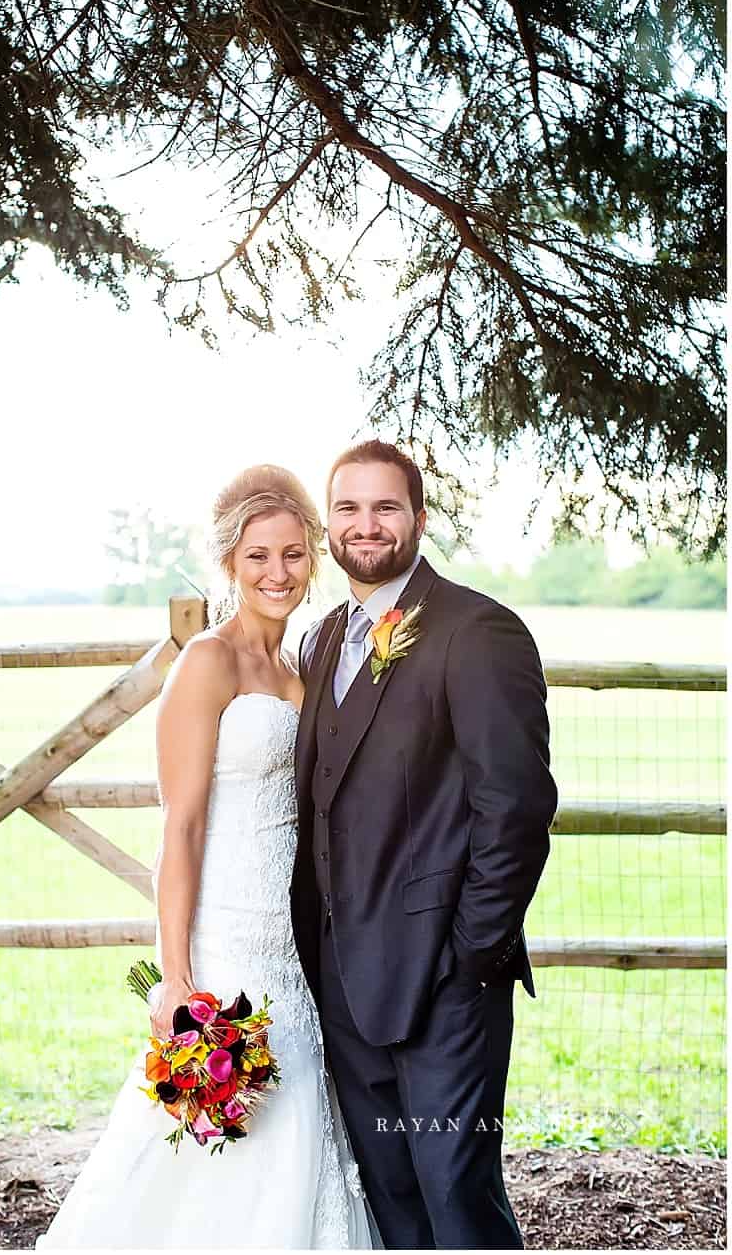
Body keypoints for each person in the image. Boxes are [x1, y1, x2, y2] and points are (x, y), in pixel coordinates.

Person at [38, 465, 374, 1249]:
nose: (278, 573)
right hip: (224, 937)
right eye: (258, 557)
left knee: (292, 1118)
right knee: (209, 1140)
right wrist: (176, 975)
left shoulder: (300, 670)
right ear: (230, 563)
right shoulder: (207, 663)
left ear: (312, 560)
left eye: (293, 555)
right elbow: (181, 827)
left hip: (289, 946)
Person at [290, 439, 558, 1250]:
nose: (365, 525)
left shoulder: (478, 630)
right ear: (329, 522)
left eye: (385, 506)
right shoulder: (326, 637)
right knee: (391, 1195)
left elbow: (515, 806)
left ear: (419, 518)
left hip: (445, 981)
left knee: (456, 1195)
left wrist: (473, 955)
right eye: (348, 507)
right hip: (341, 976)